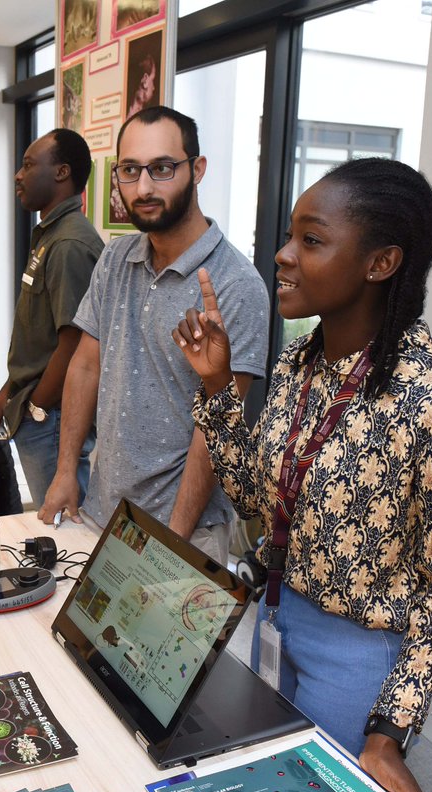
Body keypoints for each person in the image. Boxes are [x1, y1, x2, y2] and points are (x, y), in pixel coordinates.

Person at [173, 158, 432, 792]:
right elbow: (259, 504)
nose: (283, 255)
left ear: (380, 264)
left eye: (311, 240)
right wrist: (216, 386)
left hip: (357, 657)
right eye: (290, 236)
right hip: (272, 618)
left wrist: (388, 732)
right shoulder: (299, 362)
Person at [37, 106, 270, 564]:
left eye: (162, 169)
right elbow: (86, 365)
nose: (142, 188)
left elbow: (215, 427)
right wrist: (67, 470)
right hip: (104, 510)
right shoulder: (116, 257)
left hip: (186, 531)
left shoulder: (235, 285)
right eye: (129, 170)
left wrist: (173, 540)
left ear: (197, 169)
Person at [0, 129, 103, 506]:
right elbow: (37, 335)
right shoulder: (51, 234)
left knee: (62, 524)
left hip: (51, 418)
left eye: (29, 164)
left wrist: (37, 406)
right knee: (50, 518)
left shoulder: (70, 243)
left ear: (62, 172)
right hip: (36, 409)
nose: (18, 175)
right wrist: (8, 392)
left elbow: (74, 343)